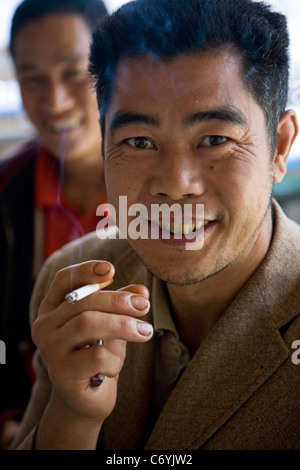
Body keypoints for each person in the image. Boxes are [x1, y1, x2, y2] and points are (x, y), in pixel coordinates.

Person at [10, 0, 300, 450]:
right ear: (103, 142)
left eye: (215, 139)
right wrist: (72, 415)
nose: (175, 184)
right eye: (139, 141)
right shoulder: (73, 281)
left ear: (279, 148)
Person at [0, 0, 109, 449]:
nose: (55, 101)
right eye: (33, 78)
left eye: (73, 72)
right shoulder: (6, 191)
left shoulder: (168, 188)